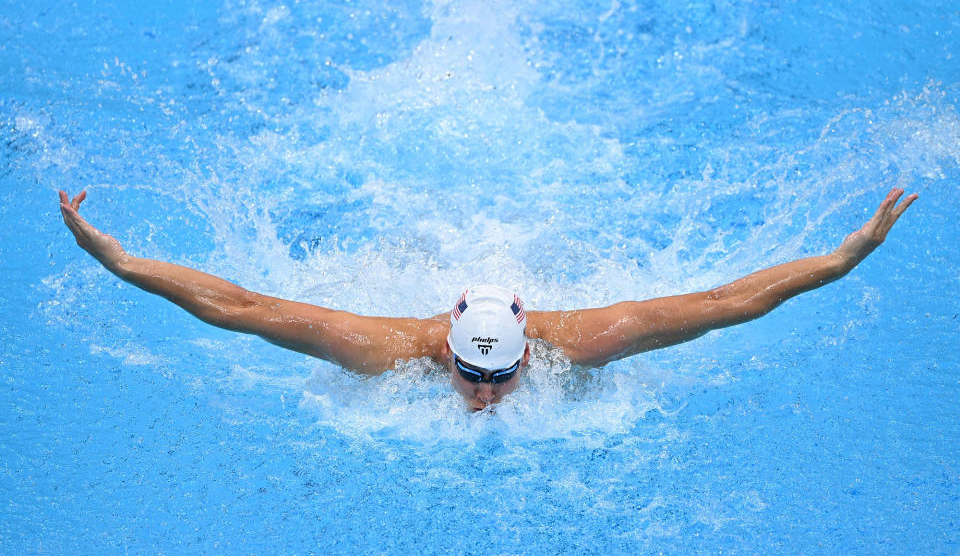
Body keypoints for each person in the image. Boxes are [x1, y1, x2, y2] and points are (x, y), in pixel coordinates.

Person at [58, 187, 917, 411]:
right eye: (473, 376)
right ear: (444, 350)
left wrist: (842, 258)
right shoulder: (386, 347)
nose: (485, 397)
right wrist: (120, 258)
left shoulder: (584, 340)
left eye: (500, 380)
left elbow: (726, 300)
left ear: (527, 353)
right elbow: (241, 306)